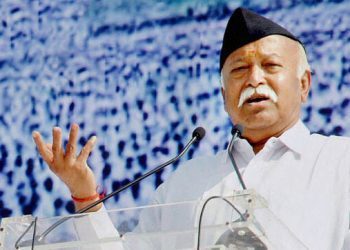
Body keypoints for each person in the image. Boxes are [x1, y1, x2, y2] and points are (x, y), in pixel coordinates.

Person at [32, 7, 350, 250]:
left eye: (270, 66)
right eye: (239, 69)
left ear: (304, 83)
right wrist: (85, 193)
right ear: (225, 96)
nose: (254, 79)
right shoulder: (186, 182)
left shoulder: (340, 164)